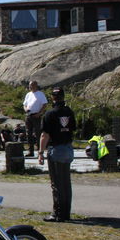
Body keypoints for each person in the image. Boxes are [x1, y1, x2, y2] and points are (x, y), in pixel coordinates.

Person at [38, 88, 77, 222]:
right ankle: (66, 212)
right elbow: (73, 129)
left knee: (56, 184)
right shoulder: (69, 112)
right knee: (66, 182)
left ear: (53, 98)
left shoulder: (50, 114)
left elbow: (45, 135)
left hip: (56, 149)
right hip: (67, 147)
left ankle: (58, 213)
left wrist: (40, 152)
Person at [23, 81, 48, 157]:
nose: (30, 87)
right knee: (28, 134)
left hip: (36, 116)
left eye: (32, 85)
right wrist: (26, 109)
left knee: (38, 134)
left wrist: (39, 113)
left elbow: (45, 104)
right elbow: (24, 105)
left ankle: (40, 151)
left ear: (36, 85)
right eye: (29, 86)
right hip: (29, 115)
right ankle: (31, 151)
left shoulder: (40, 94)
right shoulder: (28, 94)